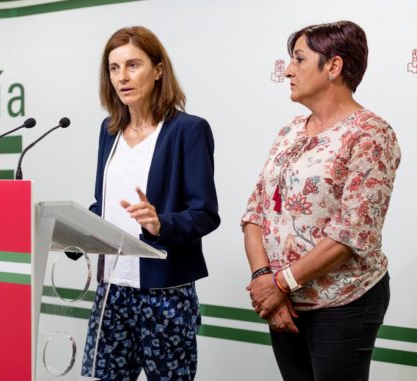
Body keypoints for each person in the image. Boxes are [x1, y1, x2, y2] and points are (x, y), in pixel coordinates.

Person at [241, 21, 400, 381]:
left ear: (333, 66)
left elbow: (350, 236)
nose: (287, 70)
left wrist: (279, 284)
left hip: (344, 301)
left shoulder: (371, 134)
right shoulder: (290, 130)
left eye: (298, 59)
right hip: (282, 302)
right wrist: (266, 279)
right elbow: (255, 213)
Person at [80, 26, 220, 381]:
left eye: (132, 65)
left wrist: (161, 224)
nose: (122, 77)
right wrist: (77, 229)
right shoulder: (108, 130)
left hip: (165, 293)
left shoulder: (188, 130)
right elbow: (106, 205)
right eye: (113, 68)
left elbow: (205, 214)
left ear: (158, 70)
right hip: (111, 288)